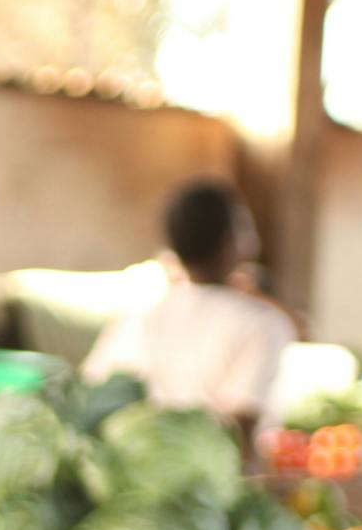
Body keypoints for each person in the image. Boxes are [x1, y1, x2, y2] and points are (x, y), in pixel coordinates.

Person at [81, 178, 297, 434]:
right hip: (221, 471)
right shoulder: (263, 323)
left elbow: (92, 391)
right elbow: (241, 426)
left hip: (141, 465)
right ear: (237, 240)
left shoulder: (139, 313)